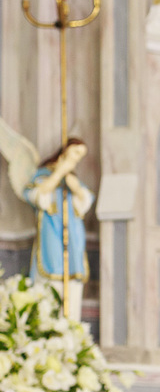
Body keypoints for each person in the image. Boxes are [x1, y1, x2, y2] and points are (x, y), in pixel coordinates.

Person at [23, 137, 94, 319]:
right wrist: (58, 174)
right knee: (49, 292)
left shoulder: (72, 179)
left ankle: (70, 332)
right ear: (66, 150)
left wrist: (74, 186)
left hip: (73, 240)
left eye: (81, 155)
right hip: (52, 237)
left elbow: (85, 201)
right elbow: (35, 195)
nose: (77, 159)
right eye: (76, 153)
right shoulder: (43, 175)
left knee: (73, 291)